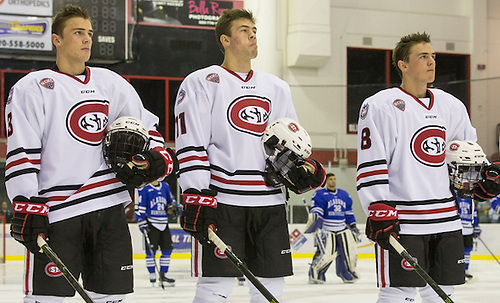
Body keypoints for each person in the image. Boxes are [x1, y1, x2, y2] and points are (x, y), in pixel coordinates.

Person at [6, 4, 176, 302]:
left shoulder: (110, 83)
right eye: (77, 33)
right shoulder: (32, 88)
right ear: (56, 39)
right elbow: (22, 151)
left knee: (112, 298)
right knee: (48, 299)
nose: (87, 39)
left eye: (89, 33)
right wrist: (25, 203)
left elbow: (149, 131)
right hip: (58, 213)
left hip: (109, 210)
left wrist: (153, 159)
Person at [174, 8, 325, 302]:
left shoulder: (277, 87)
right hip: (223, 200)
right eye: (244, 30)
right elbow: (191, 144)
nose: (253, 34)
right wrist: (195, 194)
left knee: (272, 286)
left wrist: (301, 168)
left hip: (268, 201)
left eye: (254, 30)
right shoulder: (202, 82)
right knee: (216, 286)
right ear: (225, 40)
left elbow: (289, 143)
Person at [356, 32, 500, 302]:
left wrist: (484, 177)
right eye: (423, 56)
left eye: (433, 56)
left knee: (442, 291)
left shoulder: (451, 105)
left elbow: (466, 155)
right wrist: (377, 207)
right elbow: (371, 161)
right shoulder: (379, 105)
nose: (432, 62)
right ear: (403, 64)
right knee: (400, 292)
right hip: (404, 220)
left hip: (446, 217)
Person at [305, 173, 360, 284]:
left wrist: (353, 225)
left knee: (348, 253)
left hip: (341, 229)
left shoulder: (344, 194)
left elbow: (348, 212)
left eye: (334, 179)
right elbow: (317, 209)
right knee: (326, 254)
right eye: (330, 179)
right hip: (327, 230)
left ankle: (346, 273)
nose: (333, 181)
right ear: (326, 181)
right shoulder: (320, 194)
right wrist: (315, 219)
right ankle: (316, 273)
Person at [135, 180, 182, 286]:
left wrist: (176, 205)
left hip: (164, 223)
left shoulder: (165, 186)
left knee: (167, 249)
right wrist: (141, 222)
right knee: (151, 251)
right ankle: (152, 275)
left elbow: (170, 201)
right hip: (151, 223)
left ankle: (163, 274)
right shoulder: (144, 188)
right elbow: (140, 207)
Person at [457, 194, 480, 282]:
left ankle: (465, 270)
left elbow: (473, 213)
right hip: (458, 228)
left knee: (468, 249)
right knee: (458, 251)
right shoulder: (455, 196)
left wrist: (476, 226)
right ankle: (458, 270)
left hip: (468, 229)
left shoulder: (470, 199)